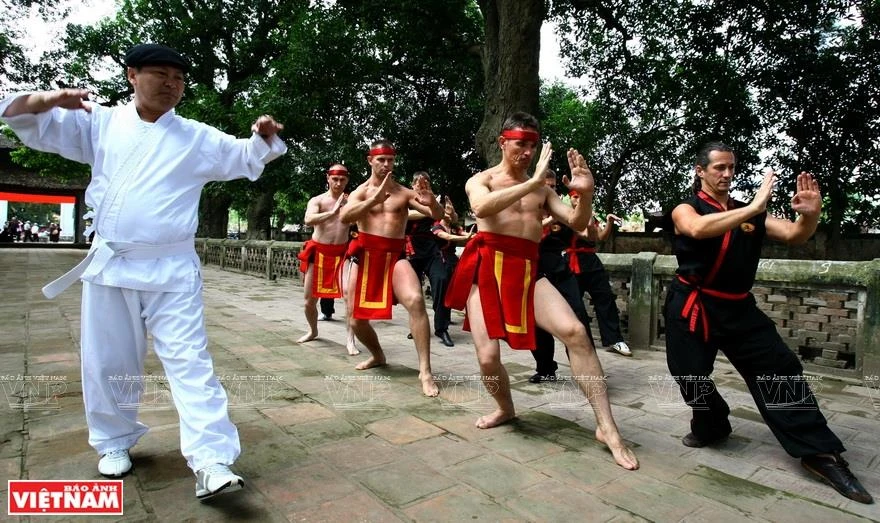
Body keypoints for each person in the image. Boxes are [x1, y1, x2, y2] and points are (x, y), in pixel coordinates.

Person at [0, 43, 287, 500]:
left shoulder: (194, 136)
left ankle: (211, 459)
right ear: (132, 75)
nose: (171, 84)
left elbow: (244, 156)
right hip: (112, 264)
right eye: (160, 74)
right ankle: (114, 441)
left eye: (179, 78)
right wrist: (51, 100)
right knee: (108, 361)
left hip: (172, 268)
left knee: (191, 361)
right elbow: (23, 121)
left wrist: (263, 136)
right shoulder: (100, 122)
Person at [664, 141, 872, 503]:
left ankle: (820, 453)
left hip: (738, 307)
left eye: (731, 168)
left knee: (778, 369)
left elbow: (795, 235)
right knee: (689, 375)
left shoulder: (750, 213)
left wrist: (809, 214)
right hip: (693, 304)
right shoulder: (687, 208)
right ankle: (711, 424)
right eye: (719, 168)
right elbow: (696, 229)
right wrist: (754, 207)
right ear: (700, 171)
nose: (727, 174)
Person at [445, 112, 638, 470]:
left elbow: (578, 224)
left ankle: (607, 427)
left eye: (533, 145)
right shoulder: (481, 179)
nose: (527, 151)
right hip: (487, 269)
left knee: (576, 333)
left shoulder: (542, 189)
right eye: (521, 143)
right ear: (503, 142)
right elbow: (481, 207)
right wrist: (532, 181)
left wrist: (585, 192)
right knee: (488, 358)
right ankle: (504, 407)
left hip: (529, 271)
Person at [340, 140, 444, 397]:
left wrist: (432, 202)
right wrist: (375, 197)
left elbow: (439, 215)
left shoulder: (404, 192)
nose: (386, 165)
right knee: (355, 320)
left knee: (416, 300)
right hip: (365, 256)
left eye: (390, 160)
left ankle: (426, 371)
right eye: (381, 160)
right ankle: (377, 355)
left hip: (395, 257)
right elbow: (345, 217)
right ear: (370, 160)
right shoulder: (360, 192)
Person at [526, 170, 594, 384]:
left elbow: (586, 232)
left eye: (553, 186)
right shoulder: (526, 209)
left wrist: (585, 198)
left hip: (560, 269)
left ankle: (588, 368)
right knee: (537, 325)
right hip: (535, 271)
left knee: (578, 318)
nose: (549, 189)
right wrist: (548, 220)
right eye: (545, 185)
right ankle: (546, 369)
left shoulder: (561, 208)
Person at [297, 163, 358, 355]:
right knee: (309, 301)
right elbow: (308, 220)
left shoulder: (352, 201)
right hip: (319, 252)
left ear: (347, 179)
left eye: (342, 179)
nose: (338, 183)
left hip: (342, 253)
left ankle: (350, 340)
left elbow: (364, 220)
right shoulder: (318, 200)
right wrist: (333, 212)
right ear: (328, 178)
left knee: (350, 298)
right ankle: (313, 330)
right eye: (335, 179)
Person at [566, 192, 632, 357]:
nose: (578, 200)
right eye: (575, 197)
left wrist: (609, 222)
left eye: (582, 197)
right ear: (570, 199)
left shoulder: (591, 216)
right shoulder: (567, 216)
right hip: (573, 262)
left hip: (591, 261)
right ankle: (579, 341)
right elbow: (588, 235)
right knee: (575, 305)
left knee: (606, 298)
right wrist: (588, 216)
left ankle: (614, 339)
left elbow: (601, 237)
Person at [405, 172, 456, 347]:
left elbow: (447, 217)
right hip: (410, 251)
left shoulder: (434, 199)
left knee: (441, 280)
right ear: (412, 185)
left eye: (425, 182)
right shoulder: (406, 198)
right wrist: (431, 211)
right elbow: (409, 215)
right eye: (418, 183)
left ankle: (442, 328)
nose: (421, 185)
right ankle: (417, 326)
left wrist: (444, 210)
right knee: (413, 292)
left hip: (431, 251)